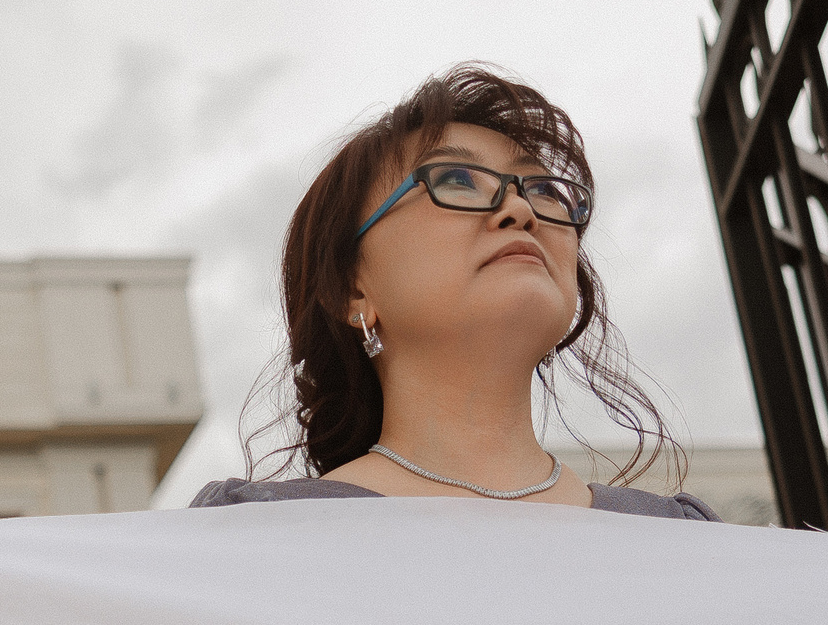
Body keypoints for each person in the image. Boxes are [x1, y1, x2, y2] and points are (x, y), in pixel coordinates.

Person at [194, 64, 717, 521]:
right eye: (457, 179)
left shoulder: (681, 538)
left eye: (542, 189)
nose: (521, 210)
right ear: (352, 290)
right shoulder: (250, 537)